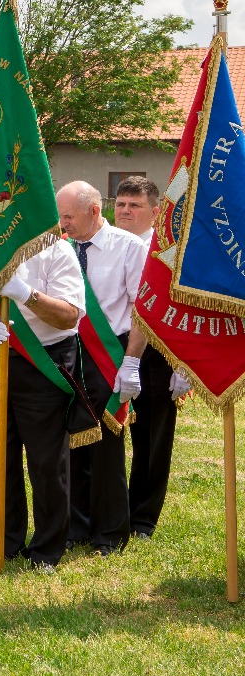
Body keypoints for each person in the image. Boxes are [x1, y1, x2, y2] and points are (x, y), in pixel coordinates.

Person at [0, 234, 86, 571]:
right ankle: (6, 540)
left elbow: (70, 316)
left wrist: (25, 294)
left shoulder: (57, 251)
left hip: (44, 361)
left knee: (46, 461)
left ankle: (47, 549)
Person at [57, 180, 148, 555]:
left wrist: (131, 362)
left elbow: (142, 310)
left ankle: (110, 533)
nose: (63, 224)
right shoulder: (61, 246)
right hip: (65, 352)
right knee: (70, 440)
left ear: (94, 211)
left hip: (109, 352)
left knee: (107, 443)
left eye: (69, 216)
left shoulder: (129, 248)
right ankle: (75, 525)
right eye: (60, 216)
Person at [116, 174, 184, 538]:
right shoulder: (106, 244)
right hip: (109, 346)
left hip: (156, 354)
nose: (125, 211)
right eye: (121, 204)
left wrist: (183, 362)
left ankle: (142, 518)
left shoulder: (170, 254)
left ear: (156, 213)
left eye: (135, 205)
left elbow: (183, 307)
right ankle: (106, 509)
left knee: (152, 438)